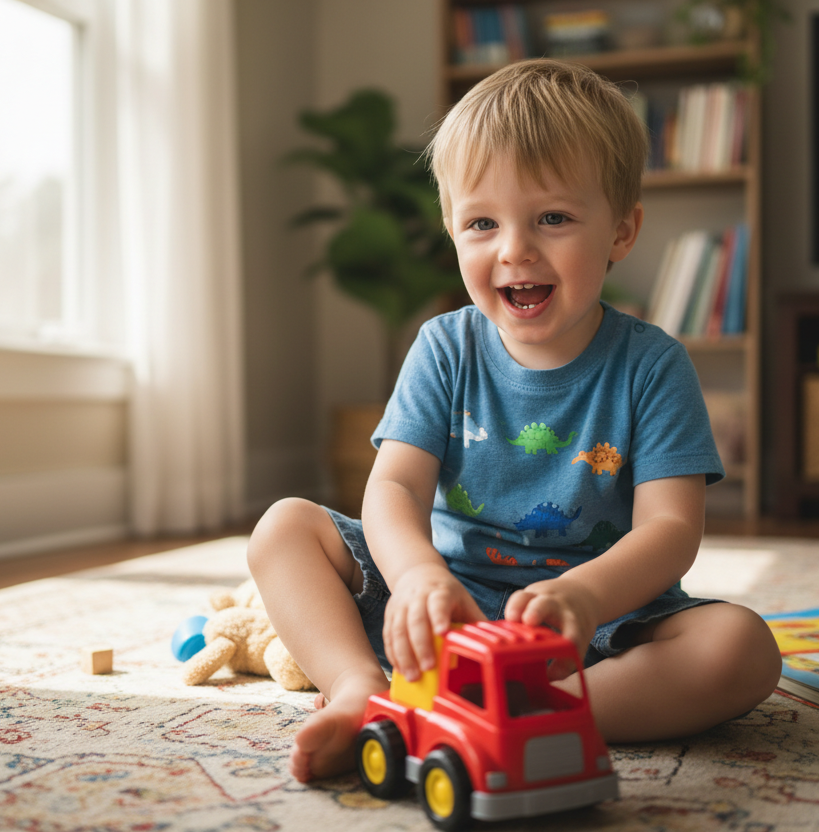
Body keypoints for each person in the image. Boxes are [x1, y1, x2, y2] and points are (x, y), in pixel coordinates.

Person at [248, 58, 783, 784]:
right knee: (284, 527)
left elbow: (670, 530)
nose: (514, 249)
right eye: (482, 223)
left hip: (593, 627)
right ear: (452, 231)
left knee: (741, 648)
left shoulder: (654, 365)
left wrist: (586, 596)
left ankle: (536, 710)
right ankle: (360, 689)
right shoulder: (444, 347)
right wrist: (418, 577)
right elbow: (395, 488)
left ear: (622, 230)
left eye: (553, 218)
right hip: (447, 609)